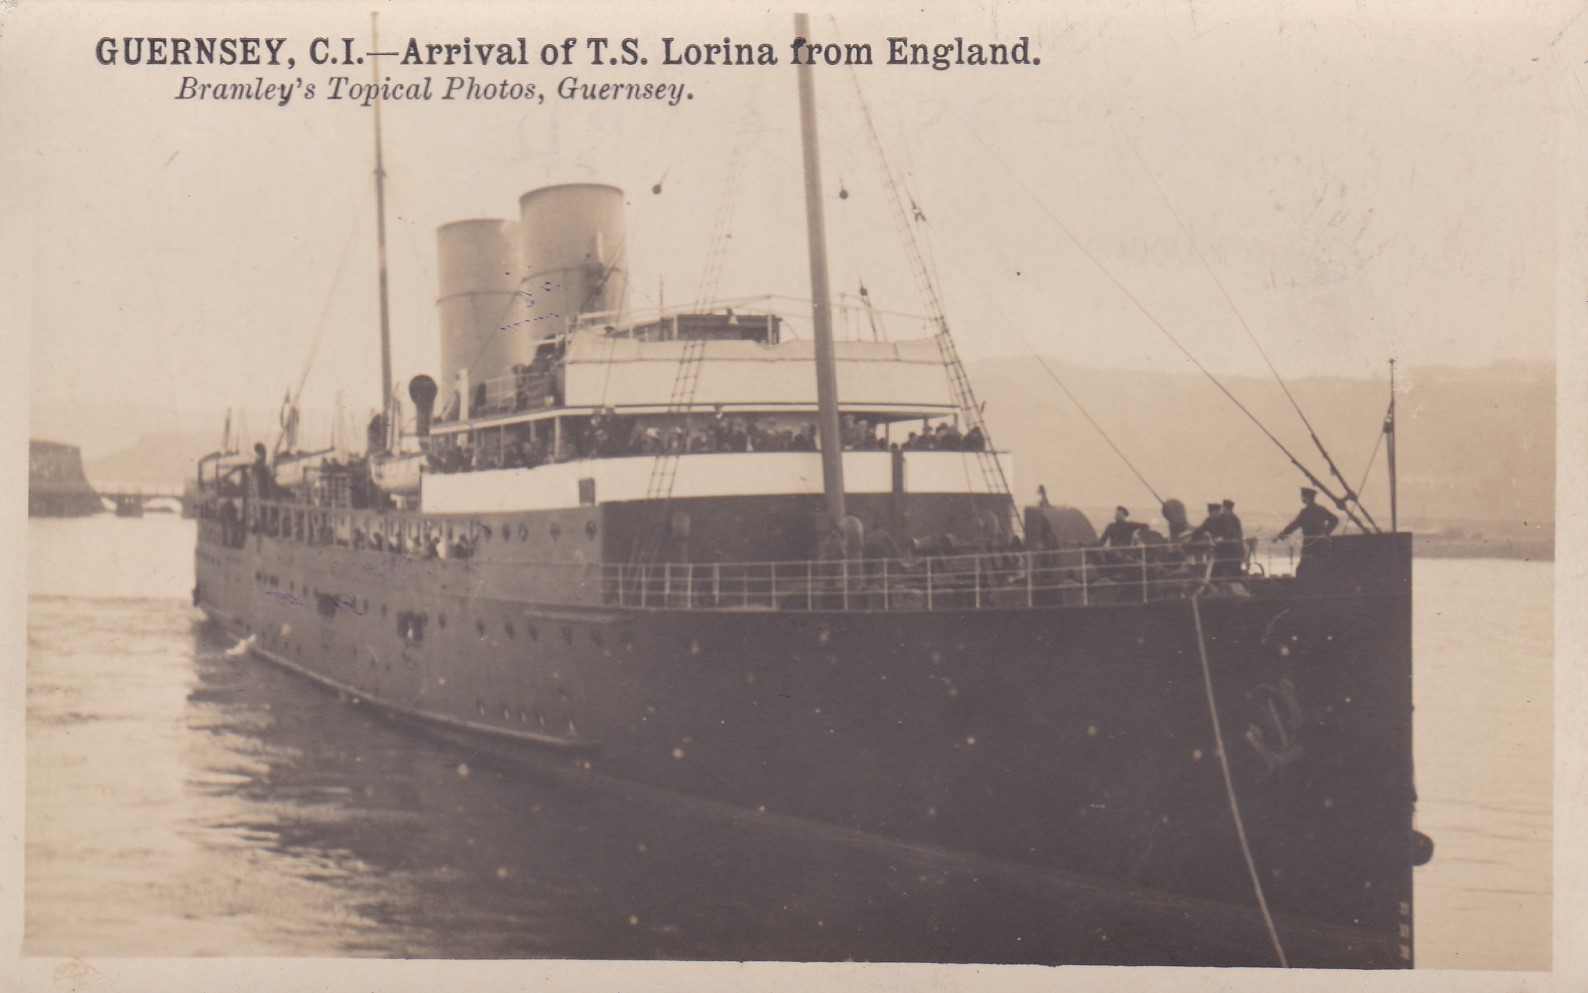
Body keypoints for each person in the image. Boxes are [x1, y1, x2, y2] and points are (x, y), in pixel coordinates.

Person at [1278, 487, 1339, 572]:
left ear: (1307, 498)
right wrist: (1326, 532)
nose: (1302, 498)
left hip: (1309, 544)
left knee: (1303, 568)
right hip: (1322, 543)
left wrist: (1281, 536)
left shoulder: (1305, 512)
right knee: (1321, 565)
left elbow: (1293, 526)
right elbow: (1335, 520)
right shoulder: (1322, 509)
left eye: (1303, 496)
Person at [1216, 498, 1245, 577]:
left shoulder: (1234, 519)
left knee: (1231, 567)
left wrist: (1223, 538)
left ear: (1226, 508)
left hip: (1232, 548)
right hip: (1227, 547)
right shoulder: (1223, 517)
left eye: (1224, 508)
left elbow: (1233, 533)